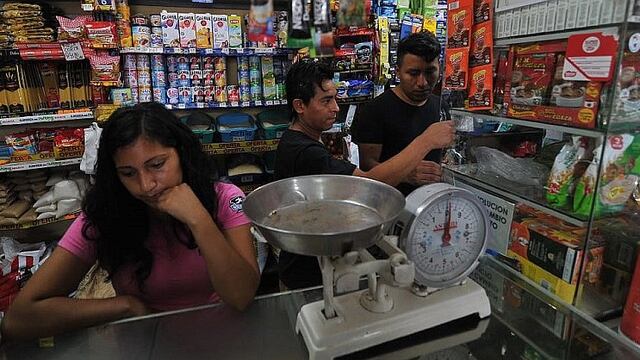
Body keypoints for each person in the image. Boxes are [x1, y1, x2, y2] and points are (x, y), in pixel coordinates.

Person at [1, 103, 260, 341]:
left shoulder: (224, 199)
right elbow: (19, 319)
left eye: (157, 165)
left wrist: (199, 220)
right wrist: (126, 305)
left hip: (223, 341)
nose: (146, 185)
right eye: (128, 173)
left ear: (181, 153)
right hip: (146, 344)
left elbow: (241, 296)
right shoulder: (106, 215)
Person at [274, 59, 455, 289]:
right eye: (326, 101)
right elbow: (370, 185)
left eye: (335, 99)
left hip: (309, 265)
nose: (336, 108)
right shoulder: (306, 152)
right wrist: (426, 141)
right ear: (300, 106)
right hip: (308, 277)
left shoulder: (297, 139)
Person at [351, 31, 451, 196]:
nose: (422, 82)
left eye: (430, 72)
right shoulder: (374, 110)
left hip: (432, 204)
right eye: (413, 73)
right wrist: (405, 174)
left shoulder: (441, 106)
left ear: (439, 68)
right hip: (392, 203)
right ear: (397, 71)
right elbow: (367, 166)